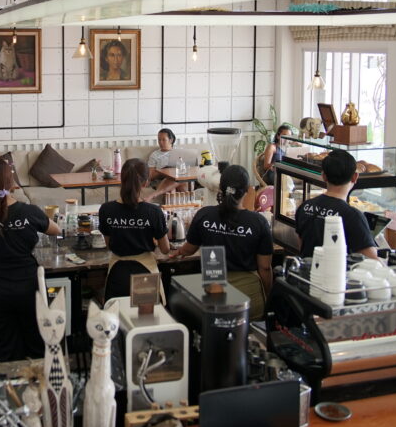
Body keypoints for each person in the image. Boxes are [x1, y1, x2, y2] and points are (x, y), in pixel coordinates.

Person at [0, 158, 61, 361]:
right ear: (11, 183)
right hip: (29, 286)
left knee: (7, 349)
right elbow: (56, 230)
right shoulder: (30, 211)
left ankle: (12, 380)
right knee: (37, 346)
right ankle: (38, 380)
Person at [170, 165, 273, 318]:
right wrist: (268, 295)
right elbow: (264, 267)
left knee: (214, 330)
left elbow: (189, 249)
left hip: (214, 292)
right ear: (247, 190)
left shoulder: (204, 215)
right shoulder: (259, 222)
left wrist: (178, 251)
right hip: (248, 297)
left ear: (221, 188)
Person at [98, 159, 170, 301]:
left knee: (117, 314)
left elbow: (109, 244)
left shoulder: (106, 209)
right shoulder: (154, 212)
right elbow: (165, 249)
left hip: (117, 275)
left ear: (121, 180)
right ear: (146, 183)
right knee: (147, 314)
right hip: (145, 274)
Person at [295, 149, 378, 259]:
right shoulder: (353, 216)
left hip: (308, 268)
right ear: (355, 177)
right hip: (336, 270)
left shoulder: (304, 207)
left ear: (324, 176)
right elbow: (373, 261)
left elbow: (302, 247)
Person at [144, 128, 189, 201]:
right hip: (162, 180)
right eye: (159, 140)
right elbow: (150, 175)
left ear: (171, 140)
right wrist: (163, 171)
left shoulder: (180, 152)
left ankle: (154, 195)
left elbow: (188, 168)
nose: (160, 142)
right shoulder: (155, 155)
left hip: (179, 177)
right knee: (171, 189)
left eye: (163, 140)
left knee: (181, 180)